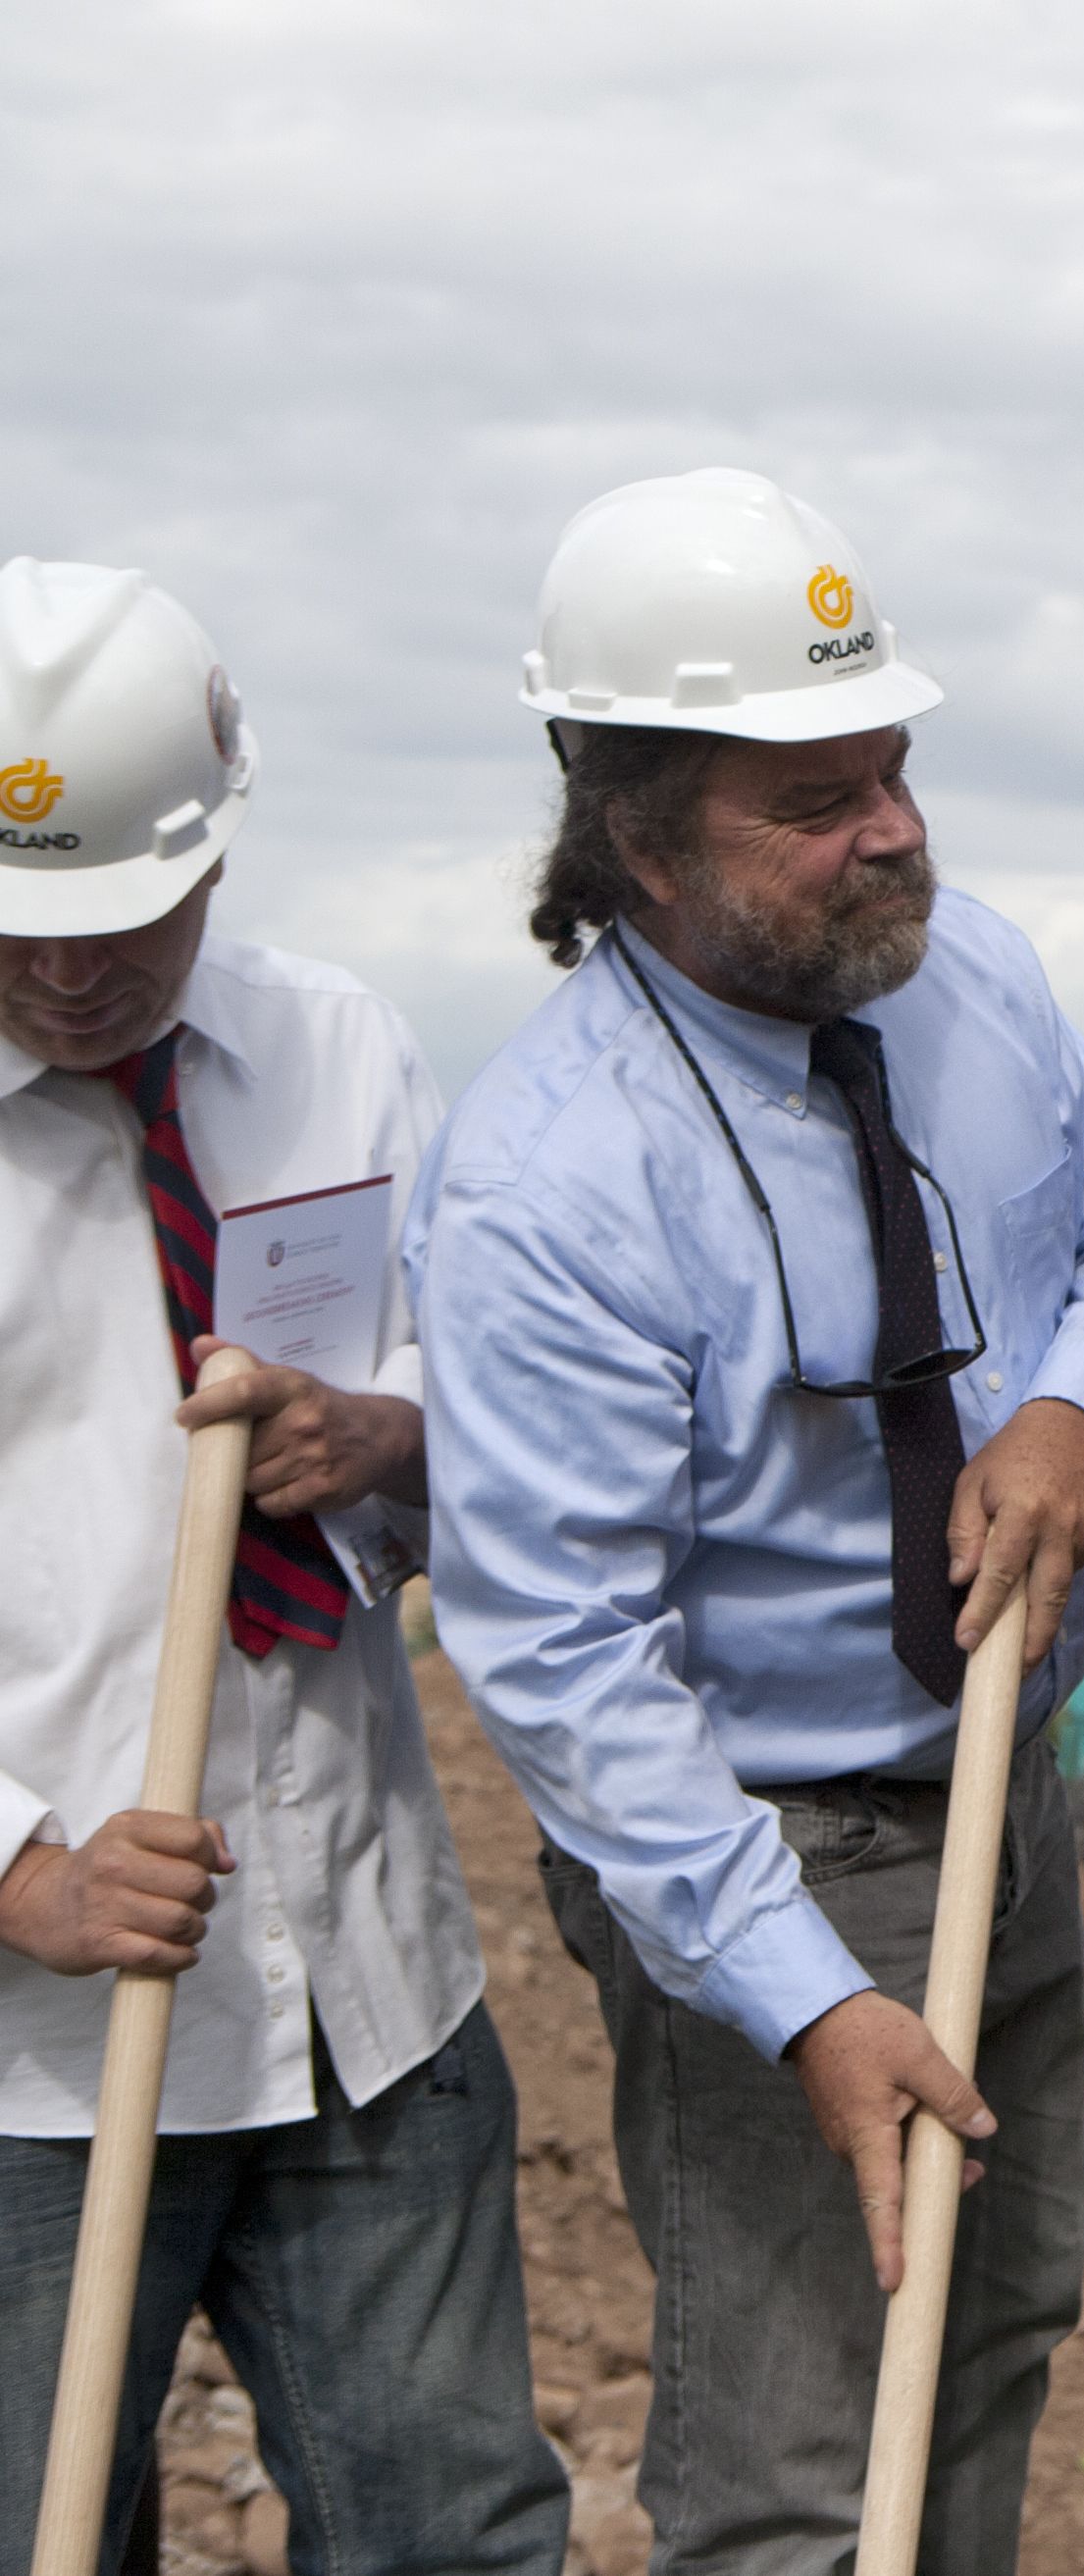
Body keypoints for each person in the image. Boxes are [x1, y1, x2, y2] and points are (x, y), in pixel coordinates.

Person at [411, 472, 1084, 2570]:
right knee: (792, 2462)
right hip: (769, 1860)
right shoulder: (548, 1183)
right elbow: (569, 1666)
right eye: (814, 798)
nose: (890, 833)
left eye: (894, 771)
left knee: (989, 2337)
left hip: (1005, 1803)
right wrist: (801, 1997)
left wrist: (1073, 1404)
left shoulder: (980, 986)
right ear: (640, 837)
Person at [0, 560, 568, 2567]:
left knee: (452, 2534)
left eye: (120, 923)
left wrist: (388, 1438)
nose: (70, 979)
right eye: (23, 930)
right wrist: (24, 1870)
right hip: (35, 2070)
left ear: (219, 838)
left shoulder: (336, 1050)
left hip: (364, 1993)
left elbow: (479, 1395)